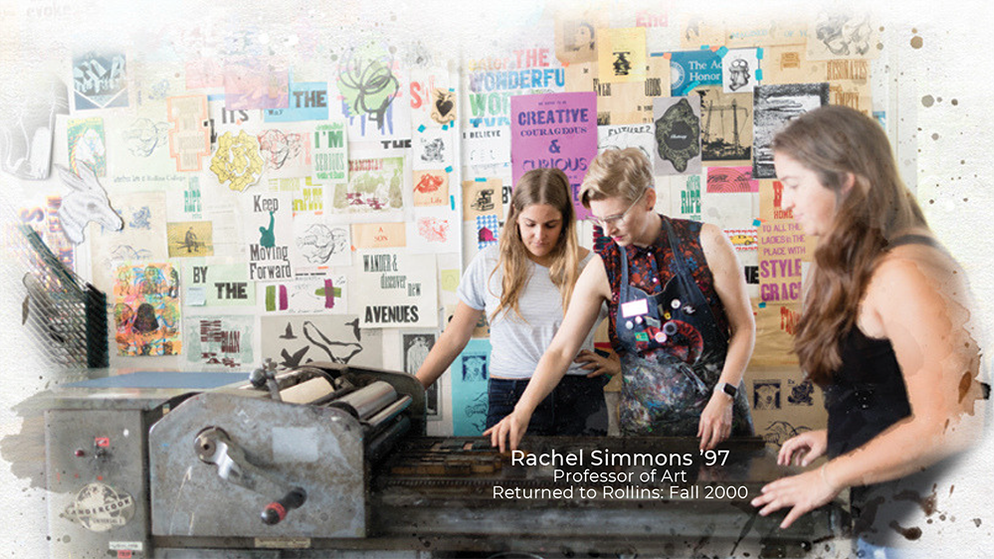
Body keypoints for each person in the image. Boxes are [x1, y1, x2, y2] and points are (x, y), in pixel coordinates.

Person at [749, 106, 985, 550]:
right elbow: (897, 392)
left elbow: (953, 421)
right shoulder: (873, 264)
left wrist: (829, 476)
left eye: (794, 185)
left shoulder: (908, 271)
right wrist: (840, 437)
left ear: (845, 181)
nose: (785, 203)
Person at [486, 148, 755, 451]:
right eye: (599, 220)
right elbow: (560, 351)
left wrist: (724, 393)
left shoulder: (706, 243)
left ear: (649, 199)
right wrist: (521, 413)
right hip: (645, 435)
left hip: (717, 423)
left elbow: (744, 328)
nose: (607, 230)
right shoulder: (604, 267)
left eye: (616, 217)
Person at [415, 167, 616, 435]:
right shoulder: (489, 262)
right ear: (515, 219)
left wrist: (618, 362)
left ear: (566, 222)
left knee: (581, 478)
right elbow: (455, 336)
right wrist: (413, 390)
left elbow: (639, 323)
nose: (539, 236)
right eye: (530, 224)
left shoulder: (592, 266)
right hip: (509, 393)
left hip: (578, 395)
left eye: (550, 225)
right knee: (507, 477)